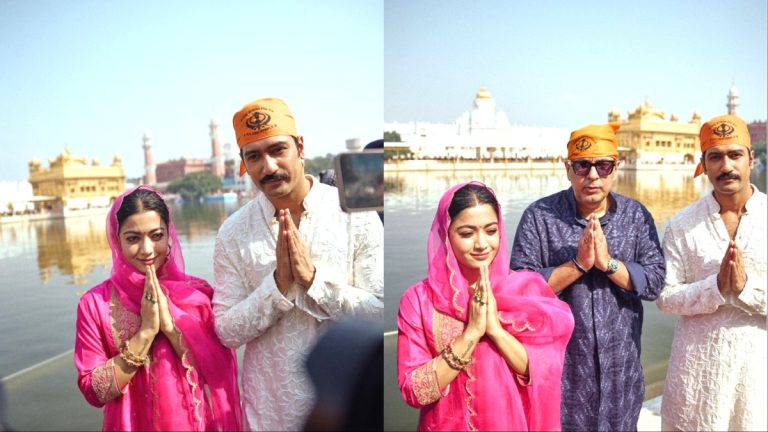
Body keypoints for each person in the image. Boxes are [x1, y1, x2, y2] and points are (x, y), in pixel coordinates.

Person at [213, 97, 383, 431]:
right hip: (269, 413)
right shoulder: (233, 233)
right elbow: (226, 331)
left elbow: (379, 312)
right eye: (254, 156)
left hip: (350, 408)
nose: (269, 166)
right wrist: (276, 287)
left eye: (278, 150)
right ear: (244, 163)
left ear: (300, 146)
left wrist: (312, 282)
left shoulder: (353, 215)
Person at [510, 123, 666, 431]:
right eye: (582, 166)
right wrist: (578, 265)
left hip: (621, 368)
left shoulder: (636, 216)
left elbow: (655, 281)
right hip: (562, 371)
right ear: (567, 168)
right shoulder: (540, 217)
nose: (592, 175)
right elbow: (519, 293)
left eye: (602, 165)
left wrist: (608, 264)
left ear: (615, 168)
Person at [397, 182, 574, 431]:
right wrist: (471, 333)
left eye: (490, 231)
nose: (482, 244)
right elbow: (414, 392)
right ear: (445, 235)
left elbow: (545, 374)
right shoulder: (419, 300)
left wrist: (495, 330)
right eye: (467, 234)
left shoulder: (526, 290)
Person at [74, 186, 243, 431]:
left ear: (169, 235)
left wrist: (171, 327)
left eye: (156, 235)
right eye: (133, 238)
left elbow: (219, 373)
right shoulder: (94, 304)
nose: (147, 249)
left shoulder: (197, 294)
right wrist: (146, 332)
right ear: (116, 239)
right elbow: (93, 392)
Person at [656, 114, 767, 431]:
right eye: (715, 157)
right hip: (697, 375)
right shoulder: (682, 224)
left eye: (735, 155)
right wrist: (713, 288)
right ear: (703, 163)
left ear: (751, 159)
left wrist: (746, 289)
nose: (726, 166)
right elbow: (665, 297)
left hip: (757, 374)